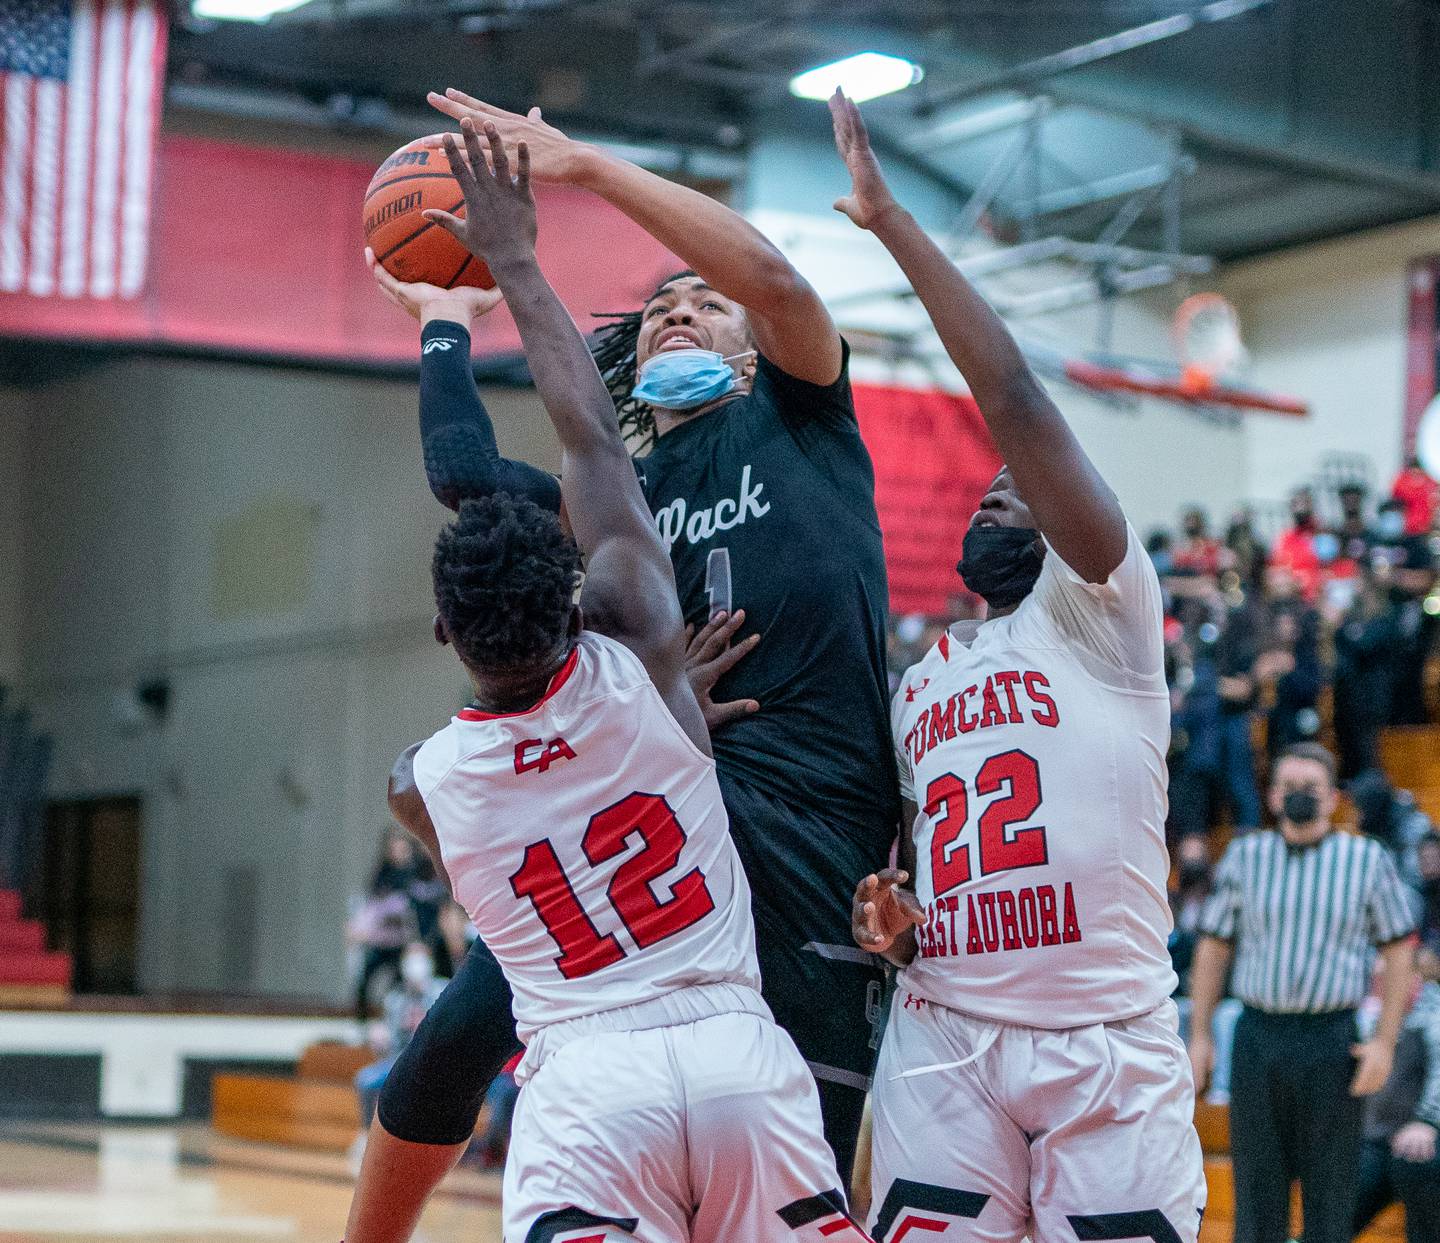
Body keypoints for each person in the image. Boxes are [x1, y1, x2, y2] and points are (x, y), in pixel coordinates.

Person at [360, 82, 901, 1205]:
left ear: (753, 351)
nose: (674, 312)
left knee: (795, 1149)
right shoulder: (623, 487)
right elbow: (466, 479)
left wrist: (586, 168)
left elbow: (779, 282)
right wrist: (441, 322)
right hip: (664, 811)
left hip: (814, 821)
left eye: (703, 303)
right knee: (457, 1028)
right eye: (657, 307)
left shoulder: (802, 418)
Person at [831, 92, 1205, 1242]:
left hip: (1103, 1043)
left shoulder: (1104, 608)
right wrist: (889, 920)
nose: (1001, 488)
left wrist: (894, 225)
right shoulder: (921, 677)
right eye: (988, 488)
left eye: (1022, 487)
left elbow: (1016, 402)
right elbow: (909, 864)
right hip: (946, 1033)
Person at [1188, 742, 1417, 1243]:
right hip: (1257, 1038)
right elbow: (1212, 948)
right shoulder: (1245, 856)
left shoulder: (1365, 858)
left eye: (1309, 788)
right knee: (1255, 1194)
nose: (1298, 796)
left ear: (1333, 797)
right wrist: (1201, 1035)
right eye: (1288, 787)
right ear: (1271, 796)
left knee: (1331, 1197)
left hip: (1333, 1041)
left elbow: (1400, 948)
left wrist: (1383, 1041)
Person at [1353, 944, 1440, 1243]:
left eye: (1384, 978)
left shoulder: (1434, 1012)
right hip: (1378, 1139)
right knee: (1349, 1177)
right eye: (1375, 980)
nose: (1378, 987)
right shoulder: (1372, 1017)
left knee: (1416, 1163)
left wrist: (1427, 1121)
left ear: (1413, 977)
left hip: (1426, 1133)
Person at [353, 941, 448, 1150]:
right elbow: (389, 1045)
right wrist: (380, 1039)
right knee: (366, 1079)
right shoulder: (395, 999)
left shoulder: (443, 992)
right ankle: (368, 1138)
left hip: (435, 1064)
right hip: (399, 1061)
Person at [348, 834, 420, 1021]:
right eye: (396, 848)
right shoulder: (381, 875)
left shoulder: (414, 876)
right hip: (379, 943)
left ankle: (398, 1022)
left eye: (404, 849)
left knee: (402, 987)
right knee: (363, 980)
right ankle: (361, 1023)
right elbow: (372, 906)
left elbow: (411, 910)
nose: (400, 853)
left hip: (401, 945)